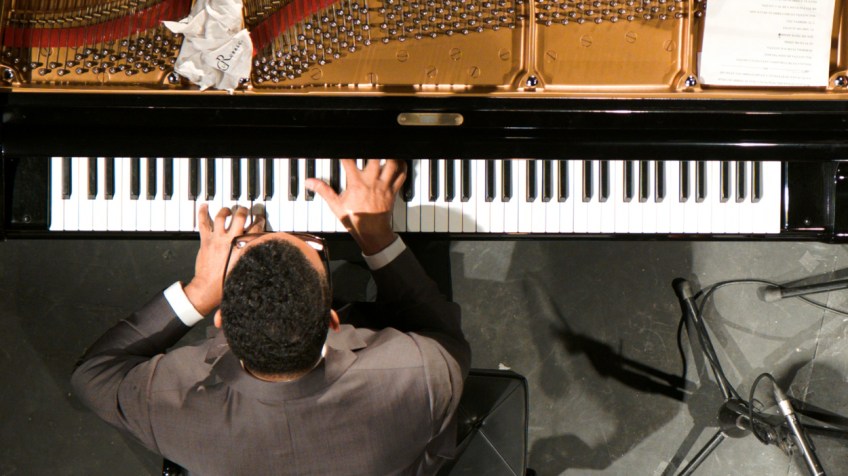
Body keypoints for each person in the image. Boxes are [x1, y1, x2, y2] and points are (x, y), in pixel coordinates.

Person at [71, 159, 471, 475]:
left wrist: (200, 290)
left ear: (221, 321)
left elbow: (92, 375)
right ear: (333, 320)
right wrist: (376, 236)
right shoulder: (420, 376)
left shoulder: (172, 412)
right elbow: (442, 333)